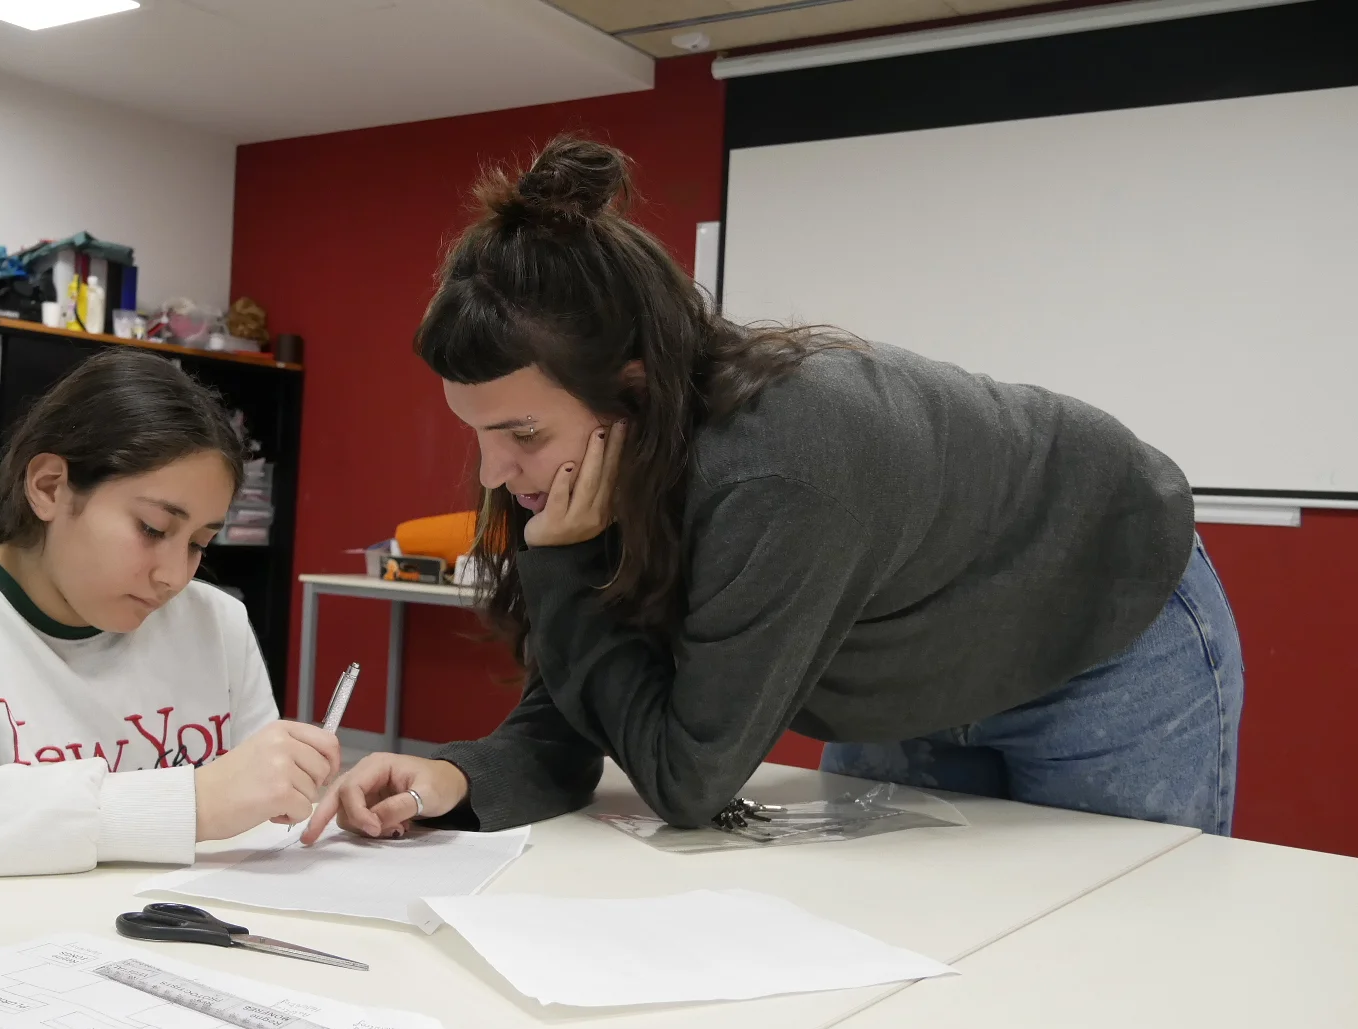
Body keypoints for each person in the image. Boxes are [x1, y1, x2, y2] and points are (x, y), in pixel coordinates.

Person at [304, 136, 1243, 845]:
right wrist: (451, 778)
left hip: (1097, 620)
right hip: (904, 659)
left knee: (1116, 941)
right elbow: (590, 703)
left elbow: (687, 783)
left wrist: (562, 566)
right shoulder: (601, 457)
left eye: (519, 434)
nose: (493, 474)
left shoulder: (780, 466)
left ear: (631, 386)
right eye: (476, 433)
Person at [0, 349, 339, 875]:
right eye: (152, 528)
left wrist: (316, 798)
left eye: (199, 543)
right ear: (49, 487)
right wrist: (183, 805)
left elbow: (260, 817)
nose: (174, 575)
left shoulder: (214, 622)